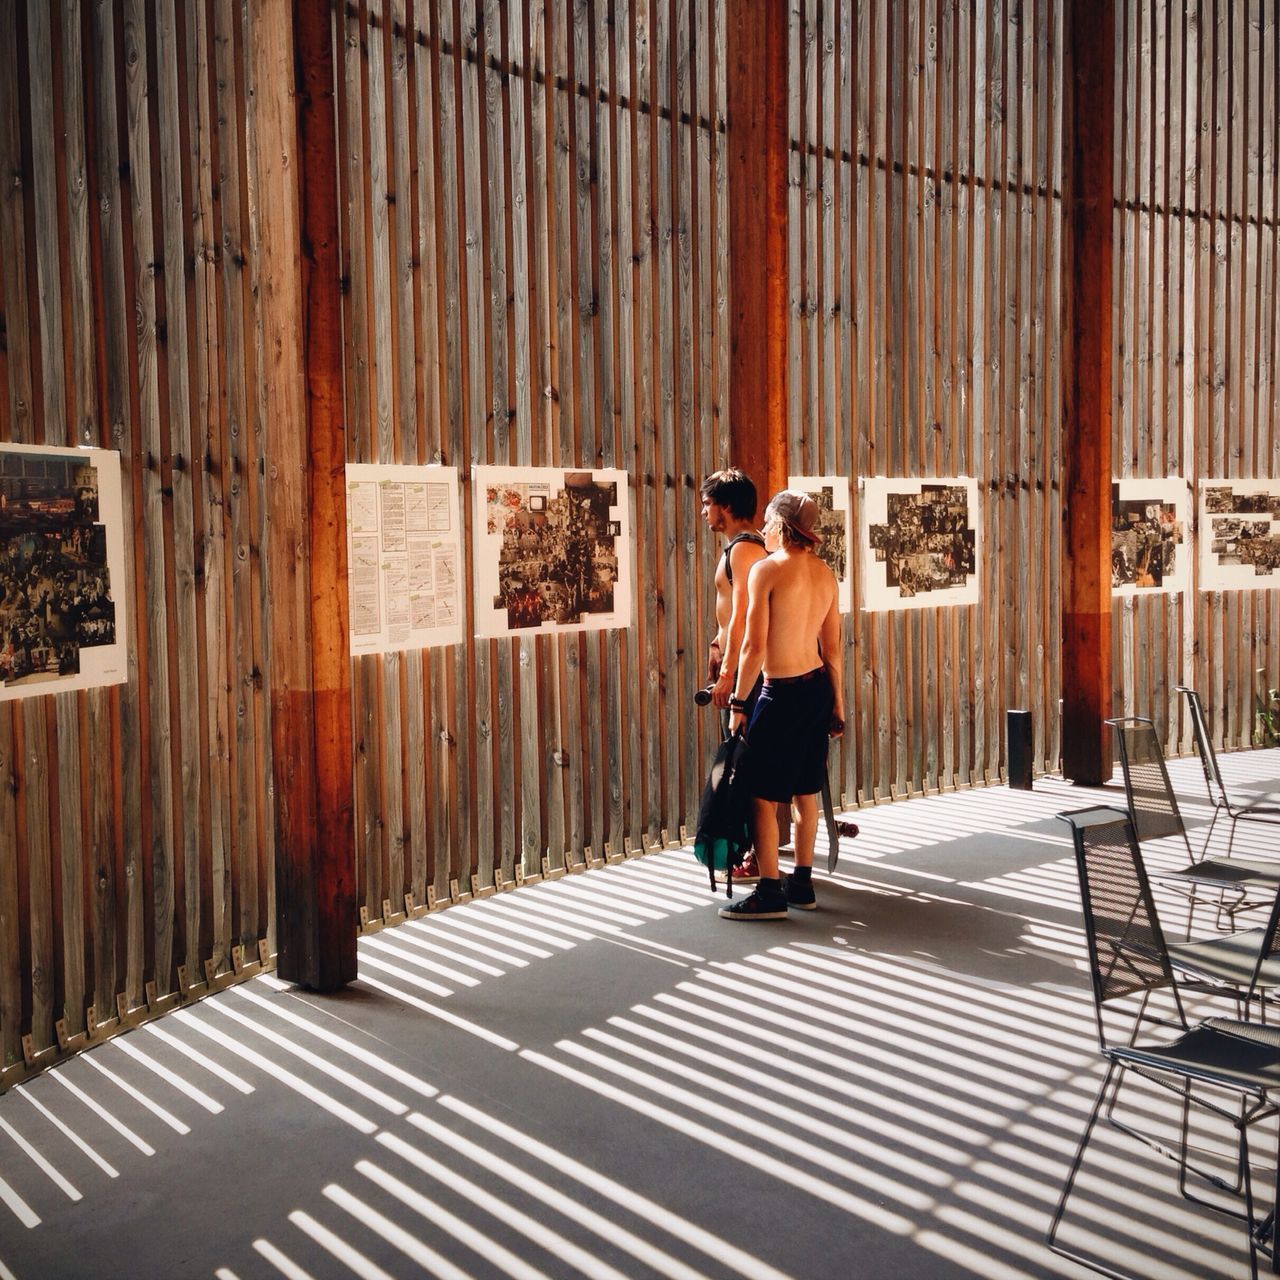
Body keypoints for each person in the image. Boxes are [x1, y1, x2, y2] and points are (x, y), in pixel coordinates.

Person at [722, 489, 843, 920]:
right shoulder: (826, 574)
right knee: (805, 791)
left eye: (769, 523)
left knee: (759, 794)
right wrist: (839, 707)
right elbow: (833, 651)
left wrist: (738, 702)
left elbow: (754, 647)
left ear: (778, 525)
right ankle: (802, 884)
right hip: (817, 690)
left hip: (781, 692)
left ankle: (770, 891)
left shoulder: (765, 570)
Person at [700, 469, 769, 882]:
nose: (704, 511)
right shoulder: (743, 547)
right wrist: (715, 643)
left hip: (749, 673)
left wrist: (729, 676)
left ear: (726, 506)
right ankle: (760, 857)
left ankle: (761, 862)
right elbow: (730, 617)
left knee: (749, 768)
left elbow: (744, 614)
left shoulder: (743, 550)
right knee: (748, 765)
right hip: (740, 666)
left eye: (708, 503)